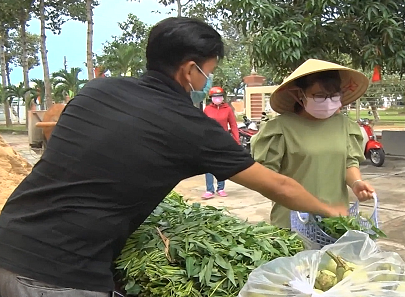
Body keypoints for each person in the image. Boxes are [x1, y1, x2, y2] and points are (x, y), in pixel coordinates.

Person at [0, 18, 347, 297]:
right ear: (190, 69)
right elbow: (279, 185)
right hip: (56, 276)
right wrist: (329, 210)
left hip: (8, 236)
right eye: (209, 70)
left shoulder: (97, 90)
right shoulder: (189, 126)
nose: (209, 79)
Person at [250, 59, 376, 229]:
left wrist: (356, 183)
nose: (329, 101)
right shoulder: (279, 129)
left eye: (334, 95)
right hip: (292, 222)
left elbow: (348, 163)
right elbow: (268, 179)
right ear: (299, 94)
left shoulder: (345, 125)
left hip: (336, 221)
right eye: (320, 96)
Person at [202, 86, 239, 199]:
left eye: (219, 96)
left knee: (221, 164)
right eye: (214, 97)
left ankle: (221, 188)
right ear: (211, 98)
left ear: (223, 97)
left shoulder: (227, 109)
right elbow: (202, 125)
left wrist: (236, 141)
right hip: (209, 140)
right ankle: (209, 190)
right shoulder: (207, 109)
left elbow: (233, 125)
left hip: (223, 140)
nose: (217, 98)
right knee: (208, 166)